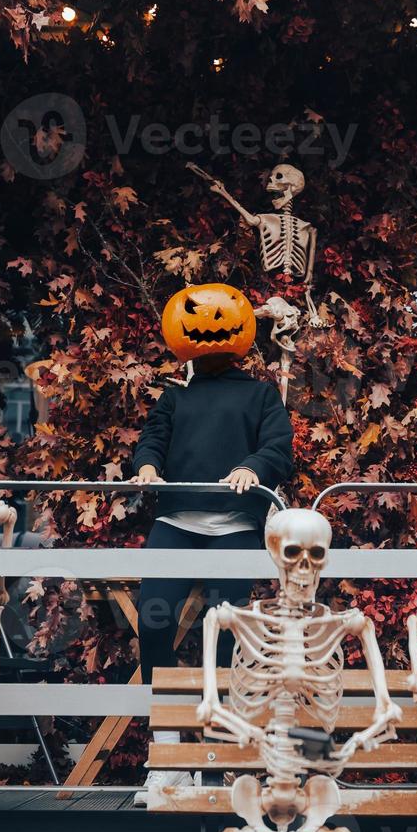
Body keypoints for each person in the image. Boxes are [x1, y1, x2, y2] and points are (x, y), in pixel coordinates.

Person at [129, 283, 293, 803]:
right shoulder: (174, 396)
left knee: (225, 637)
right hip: (176, 521)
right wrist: (148, 466)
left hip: (237, 529)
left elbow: (278, 447)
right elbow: (151, 440)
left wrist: (253, 467)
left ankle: (216, 756)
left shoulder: (261, 394)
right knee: (153, 619)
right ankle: (170, 754)